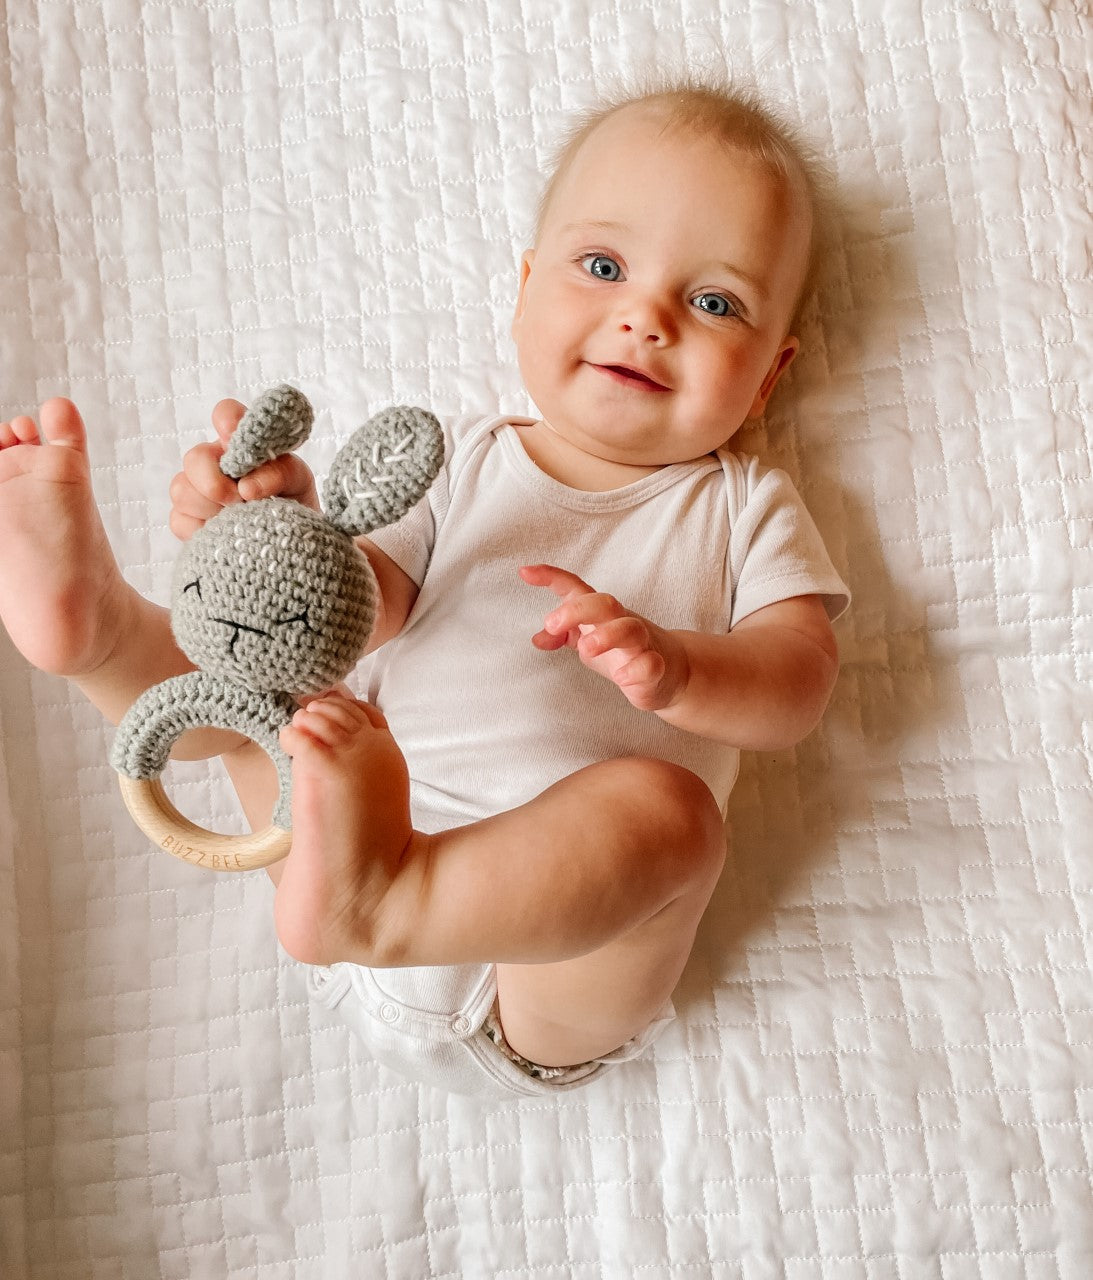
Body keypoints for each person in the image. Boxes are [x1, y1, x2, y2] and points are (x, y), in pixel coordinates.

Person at [0, 75, 849, 1097]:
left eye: (713, 301)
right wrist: (283, 545)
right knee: (276, 682)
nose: (645, 317)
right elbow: (363, 612)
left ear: (767, 375)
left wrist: (679, 667)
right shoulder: (461, 461)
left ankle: (394, 900)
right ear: (526, 286)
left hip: (530, 975)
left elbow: (797, 681)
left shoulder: (744, 505)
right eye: (603, 265)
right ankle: (101, 635)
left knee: (669, 819)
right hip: (330, 835)